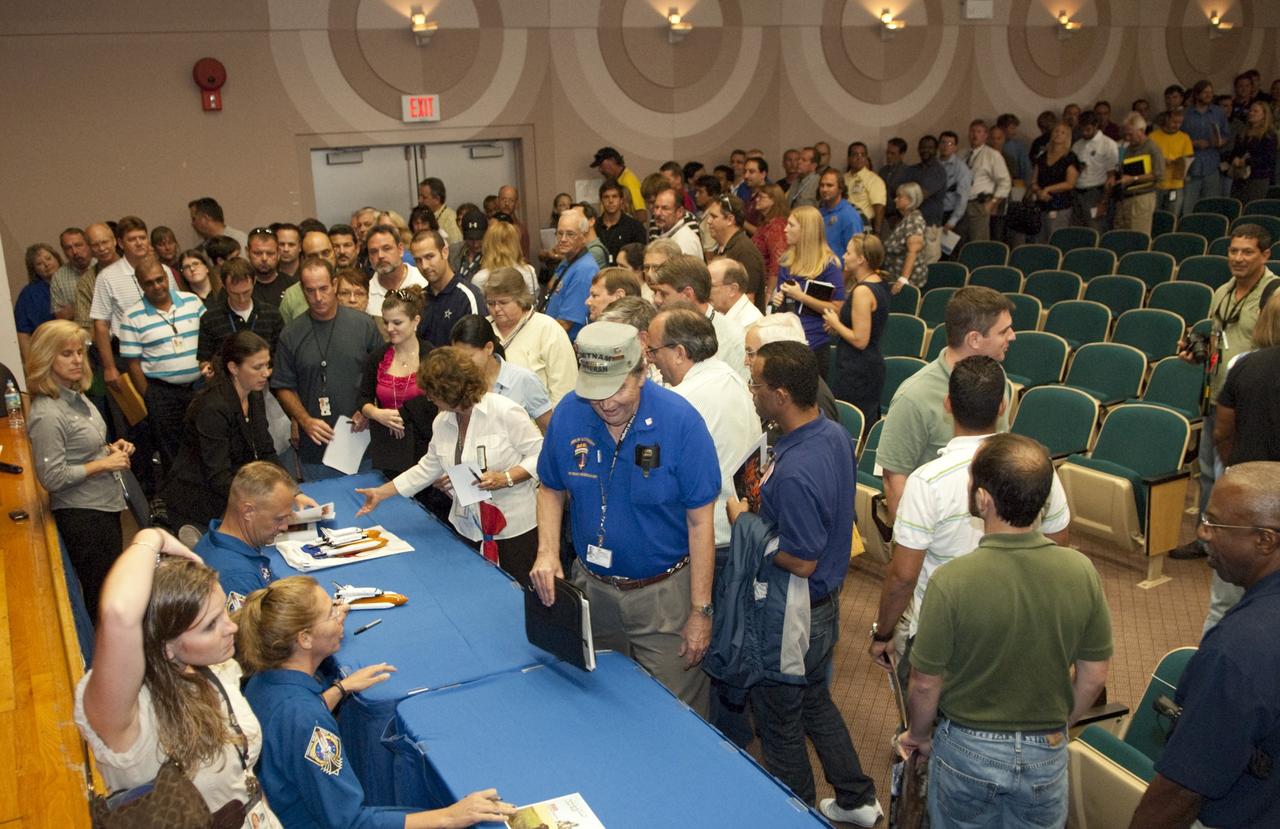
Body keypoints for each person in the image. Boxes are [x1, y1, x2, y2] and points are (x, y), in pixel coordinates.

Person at [898, 433, 1111, 829]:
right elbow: (1094, 675)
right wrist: (1059, 727)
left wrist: (919, 735)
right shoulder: (1080, 571)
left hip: (967, 746)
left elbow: (925, 683)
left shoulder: (952, 580)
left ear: (982, 499)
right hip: (1046, 748)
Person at [726, 341, 881, 826]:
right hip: (824, 611)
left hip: (794, 613)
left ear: (779, 394)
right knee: (816, 701)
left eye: (755, 384)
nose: (750, 392)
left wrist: (744, 522)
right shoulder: (831, 432)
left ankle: (799, 816)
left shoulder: (794, 472)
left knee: (779, 725)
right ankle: (857, 799)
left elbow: (800, 559)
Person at [530, 321, 719, 714]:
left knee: (674, 713)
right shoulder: (569, 414)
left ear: (643, 372)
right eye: (596, 392)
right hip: (592, 588)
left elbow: (701, 523)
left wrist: (701, 611)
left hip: (664, 596)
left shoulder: (682, 423)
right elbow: (550, 487)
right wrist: (547, 551)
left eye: (618, 388)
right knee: (598, 701)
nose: (606, 403)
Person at [235, 576, 515, 828]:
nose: (341, 614)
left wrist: (341, 688)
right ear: (305, 639)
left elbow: (287, 724)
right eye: (331, 611)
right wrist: (449, 817)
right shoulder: (307, 720)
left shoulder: (262, 680)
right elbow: (349, 822)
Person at [870, 356, 1071, 691]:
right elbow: (1057, 542)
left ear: (948, 405)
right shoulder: (1036, 466)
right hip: (1015, 629)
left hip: (940, 634)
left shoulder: (927, 481)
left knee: (922, 730)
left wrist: (884, 632)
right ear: (1003, 405)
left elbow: (903, 576)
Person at [75, 528, 281, 826]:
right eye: (210, 625)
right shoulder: (130, 715)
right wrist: (151, 537)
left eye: (224, 611)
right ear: (166, 647)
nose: (232, 627)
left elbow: (242, 775)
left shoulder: (211, 665)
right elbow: (118, 613)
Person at [1129, 462, 1280, 829]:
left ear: (1264, 540)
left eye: (1215, 524)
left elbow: (1182, 790)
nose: (1202, 533)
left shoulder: (1237, 650)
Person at [356, 347, 543, 586]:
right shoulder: (443, 421)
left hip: (515, 529)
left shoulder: (505, 411)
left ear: (450, 390)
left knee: (520, 597)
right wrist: (381, 493)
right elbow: (427, 468)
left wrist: (506, 478)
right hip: (470, 527)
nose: (429, 398)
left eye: (432, 392)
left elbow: (541, 455)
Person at [1173, 225, 1279, 561]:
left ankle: (1247, 548)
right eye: (1233, 251)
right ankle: (1208, 540)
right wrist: (1198, 352)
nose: (1238, 258)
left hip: (1258, 402)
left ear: (1265, 255)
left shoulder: (1274, 294)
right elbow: (1221, 341)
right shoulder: (1222, 291)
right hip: (1220, 396)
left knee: (1249, 478)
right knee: (1209, 473)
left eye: (1247, 252)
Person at [878, 287, 1016, 523]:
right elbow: (894, 482)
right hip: (937, 534)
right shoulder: (914, 396)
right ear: (974, 339)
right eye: (1004, 331)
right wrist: (911, 546)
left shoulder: (997, 378)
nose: (1012, 336)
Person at [26, 320, 132, 621]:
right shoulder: (47, 413)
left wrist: (112, 448)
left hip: (105, 506)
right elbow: (52, 477)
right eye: (66, 354)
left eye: (78, 352)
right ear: (47, 358)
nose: (76, 360)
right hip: (83, 516)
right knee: (102, 598)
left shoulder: (74, 396)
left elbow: (83, 443)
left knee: (111, 590)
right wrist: (104, 464)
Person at [271, 257, 384, 481]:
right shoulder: (291, 334)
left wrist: (369, 407)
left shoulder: (363, 325)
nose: (318, 297)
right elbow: (283, 385)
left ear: (334, 285)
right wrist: (303, 420)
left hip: (361, 439)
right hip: (316, 445)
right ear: (303, 291)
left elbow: (383, 371)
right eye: (310, 291)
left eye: (323, 288)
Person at [160, 330, 281, 531]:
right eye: (257, 367)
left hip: (233, 495)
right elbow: (218, 475)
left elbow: (265, 449)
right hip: (198, 504)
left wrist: (290, 490)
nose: (266, 373)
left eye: (268, 365)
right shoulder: (213, 407)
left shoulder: (254, 395)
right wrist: (264, 498)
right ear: (233, 368)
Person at [118, 255, 206, 475]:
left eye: (160, 279)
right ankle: (180, 503)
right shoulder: (132, 317)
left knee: (206, 444)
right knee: (173, 453)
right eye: (149, 282)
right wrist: (149, 395)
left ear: (167, 277)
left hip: (200, 387)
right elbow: (132, 363)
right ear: (140, 285)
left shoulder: (192, 302)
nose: (157, 286)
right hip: (162, 393)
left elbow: (209, 339)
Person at [356, 286, 436, 479]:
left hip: (425, 447)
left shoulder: (432, 356)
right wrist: (377, 413)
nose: (389, 329)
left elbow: (439, 401)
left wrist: (403, 414)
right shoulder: (378, 357)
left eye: (397, 322)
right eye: (386, 322)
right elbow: (362, 398)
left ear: (415, 321)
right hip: (389, 450)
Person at [822, 233, 890, 435]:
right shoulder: (878, 283)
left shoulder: (863, 291)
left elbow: (860, 340)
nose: (844, 256)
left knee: (853, 427)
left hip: (859, 368)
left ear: (861, 259)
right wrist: (839, 327)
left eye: (849, 252)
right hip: (865, 365)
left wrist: (835, 321)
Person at [484, 267, 577, 405]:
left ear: (520, 299)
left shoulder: (548, 329)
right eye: (491, 303)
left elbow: (564, 390)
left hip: (535, 422)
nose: (496, 309)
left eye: (503, 302)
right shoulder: (483, 328)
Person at [652, 254, 749, 379]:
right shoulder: (661, 328)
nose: (657, 300)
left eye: (664, 294)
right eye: (655, 293)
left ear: (688, 294)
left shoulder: (733, 339)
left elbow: (742, 392)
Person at [450, 314, 553, 431]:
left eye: (469, 356)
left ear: (488, 348)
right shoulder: (456, 382)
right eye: (456, 357)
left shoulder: (524, 380)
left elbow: (549, 431)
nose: (461, 363)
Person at [773, 206, 844, 360]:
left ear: (806, 231)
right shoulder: (787, 261)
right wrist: (778, 299)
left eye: (791, 225)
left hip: (813, 344)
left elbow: (837, 308)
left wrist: (801, 296)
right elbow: (783, 298)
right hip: (786, 341)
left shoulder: (828, 266)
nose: (785, 229)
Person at [197, 258, 283, 375]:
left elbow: (281, 357)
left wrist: (265, 372)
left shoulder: (271, 314)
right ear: (224, 286)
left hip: (265, 381)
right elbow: (204, 359)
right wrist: (207, 368)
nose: (242, 299)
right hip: (227, 384)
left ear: (254, 281)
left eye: (246, 292)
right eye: (235, 293)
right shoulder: (210, 318)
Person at [541, 210, 598, 341]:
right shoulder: (568, 260)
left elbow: (566, 323)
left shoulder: (585, 269)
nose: (563, 239)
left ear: (584, 237)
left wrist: (538, 339)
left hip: (565, 342)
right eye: (560, 233)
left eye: (570, 234)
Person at [706, 194, 766, 311]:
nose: (709, 221)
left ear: (730, 220)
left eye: (714, 217)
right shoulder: (725, 247)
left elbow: (748, 300)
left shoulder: (745, 252)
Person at [1027, 122, 1082, 243]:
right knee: (1039, 240)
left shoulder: (1070, 157)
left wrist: (1048, 189)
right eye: (1056, 131)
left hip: (1060, 204)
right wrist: (1039, 191)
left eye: (1063, 132)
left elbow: (1070, 183)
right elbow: (1034, 181)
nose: (1058, 134)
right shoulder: (1042, 157)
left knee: (1055, 239)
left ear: (1067, 137)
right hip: (1041, 204)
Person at [1114, 113, 1166, 236]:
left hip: (1142, 197)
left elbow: (1159, 174)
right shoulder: (1128, 149)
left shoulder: (1152, 148)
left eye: (1130, 134)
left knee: (1138, 236)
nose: (1127, 138)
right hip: (1126, 197)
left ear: (1141, 130)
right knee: (1121, 234)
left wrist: (1134, 178)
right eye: (1125, 134)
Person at [1071, 110, 1120, 232]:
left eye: (1087, 129)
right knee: (1079, 231)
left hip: (1096, 192)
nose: (1084, 132)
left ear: (1096, 126)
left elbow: (1111, 176)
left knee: (1096, 230)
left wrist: (1103, 201)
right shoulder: (1077, 145)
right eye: (1081, 129)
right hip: (1077, 192)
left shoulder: (1108, 144)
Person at [365, 224, 427, 316]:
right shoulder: (366, 293)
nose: (380, 256)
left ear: (400, 250)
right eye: (374, 252)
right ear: (369, 257)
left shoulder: (424, 280)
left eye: (386, 248)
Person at [15, 242, 61, 362]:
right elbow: (23, 333)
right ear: (34, 269)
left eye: (48, 258)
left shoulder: (74, 279)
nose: (46, 264)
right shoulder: (29, 294)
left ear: (57, 258)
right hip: (47, 353)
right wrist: (31, 364)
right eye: (39, 263)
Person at [1228, 100, 1277, 205]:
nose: (1251, 113)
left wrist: (1247, 161)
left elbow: (1268, 158)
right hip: (1240, 177)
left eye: (1255, 111)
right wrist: (1235, 159)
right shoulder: (1243, 133)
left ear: (1264, 115)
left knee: (1252, 206)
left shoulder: (1269, 135)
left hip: (1258, 178)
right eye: (1250, 110)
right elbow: (1235, 152)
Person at [472, 218, 537, 296]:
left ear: (488, 245)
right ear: (516, 244)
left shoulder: (480, 279)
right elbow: (533, 299)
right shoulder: (529, 271)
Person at [883, 183, 928, 292]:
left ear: (910, 199)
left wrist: (903, 279)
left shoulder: (914, 221)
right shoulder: (906, 219)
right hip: (895, 276)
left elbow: (913, 251)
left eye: (899, 197)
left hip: (907, 283)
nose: (895, 200)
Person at [1151, 108, 1195, 219]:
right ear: (1167, 120)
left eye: (1180, 122)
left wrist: (1180, 161)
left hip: (1175, 183)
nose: (1177, 125)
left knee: (1172, 216)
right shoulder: (1153, 137)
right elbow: (1147, 157)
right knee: (1154, 216)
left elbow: (1188, 158)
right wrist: (1161, 160)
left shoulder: (1184, 138)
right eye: (1174, 122)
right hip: (1157, 183)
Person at [751, 183, 790, 298]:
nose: (757, 200)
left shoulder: (777, 225)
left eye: (761, 197)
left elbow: (777, 261)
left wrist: (769, 293)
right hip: (762, 283)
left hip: (771, 287)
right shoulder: (766, 223)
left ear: (774, 200)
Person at [596, 178, 648, 261]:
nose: (611, 201)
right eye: (606, 197)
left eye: (615, 196)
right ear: (601, 200)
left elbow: (641, 258)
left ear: (621, 200)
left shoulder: (635, 227)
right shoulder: (594, 226)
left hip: (625, 273)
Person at [844, 141, 888, 234]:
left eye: (863, 155)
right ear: (849, 158)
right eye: (855, 154)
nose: (859, 157)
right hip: (843, 224)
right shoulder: (843, 178)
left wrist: (877, 232)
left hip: (862, 226)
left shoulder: (874, 180)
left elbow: (879, 207)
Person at [708, 258, 763, 331]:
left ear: (732, 290)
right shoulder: (720, 313)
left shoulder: (749, 325)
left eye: (711, 286)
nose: (706, 290)